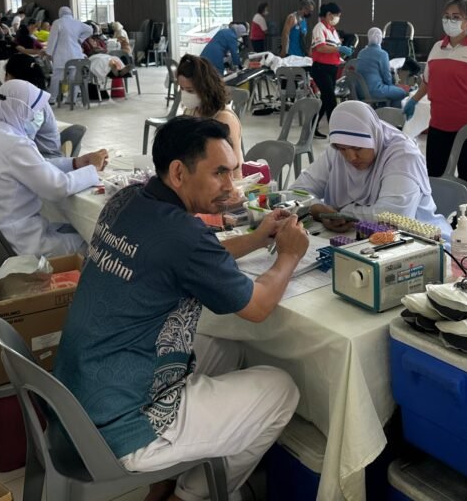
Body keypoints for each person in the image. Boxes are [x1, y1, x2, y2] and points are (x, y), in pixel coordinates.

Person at [55, 116, 306, 501]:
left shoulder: (127, 200)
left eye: (232, 171)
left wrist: (257, 239)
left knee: (227, 348)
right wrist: (288, 255)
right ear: (177, 172)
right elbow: (257, 307)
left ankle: (164, 484)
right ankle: (188, 496)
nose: (230, 185)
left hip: (78, 393)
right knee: (281, 389)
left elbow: (195, 256)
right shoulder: (183, 234)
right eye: (219, 173)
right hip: (120, 423)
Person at [0, 80, 108, 265]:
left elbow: (38, 166)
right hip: (20, 244)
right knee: (94, 243)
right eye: (35, 111)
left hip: (4, 233)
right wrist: (93, 169)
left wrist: (75, 163)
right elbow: (58, 187)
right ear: (20, 110)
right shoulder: (15, 144)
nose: (38, 117)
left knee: (73, 229)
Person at [293, 101, 451, 240]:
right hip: (360, 237)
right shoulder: (336, 150)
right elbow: (296, 192)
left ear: (373, 138)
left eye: (358, 148)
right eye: (342, 149)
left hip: (420, 240)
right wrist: (316, 209)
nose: (351, 157)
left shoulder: (403, 155)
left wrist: (344, 213)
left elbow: (393, 217)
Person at [405, 0, 467, 179]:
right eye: (447, 16)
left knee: (466, 177)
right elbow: (427, 82)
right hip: (439, 123)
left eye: (456, 17)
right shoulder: (437, 48)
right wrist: (413, 100)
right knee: (435, 176)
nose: (450, 21)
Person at [177, 54, 244, 178]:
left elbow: (234, 168)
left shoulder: (224, 118)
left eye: (190, 90)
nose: (185, 94)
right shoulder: (190, 111)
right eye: (182, 89)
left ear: (205, 88)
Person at [4, 53, 63, 157]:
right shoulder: (30, 96)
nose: (5, 80)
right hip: (35, 155)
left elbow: (23, 139)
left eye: (7, 75)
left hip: (45, 158)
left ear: (12, 77)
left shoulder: (33, 103)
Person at [310, 2, 352, 137]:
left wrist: (342, 51)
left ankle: (311, 128)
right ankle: (336, 132)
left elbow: (334, 49)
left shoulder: (332, 30)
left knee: (325, 99)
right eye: (336, 15)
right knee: (331, 100)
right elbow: (321, 47)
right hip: (321, 68)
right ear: (328, 14)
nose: (337, 18)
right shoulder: (319, 28)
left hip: (332, 68)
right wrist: (339, 48)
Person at [46, 7, 90, 103]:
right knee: (74, 78)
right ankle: (71, 99)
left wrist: (49, 52)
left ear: (60, 13)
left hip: (61, 56)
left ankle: (52, 99)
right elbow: (90, 29)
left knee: (56, 78)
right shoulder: (77, 23)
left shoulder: (57, 22)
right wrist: (81, 39)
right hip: (76, 55)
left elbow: (52, 39)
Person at [356, 28, 407, 104]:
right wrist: (392, 86)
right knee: (401, 92)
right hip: (374, 91)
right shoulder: (382, 54)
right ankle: (389, 110)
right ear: (381, 39)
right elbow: (387, 77)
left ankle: (382, 107)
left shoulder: (361, 52)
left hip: (359, 91)